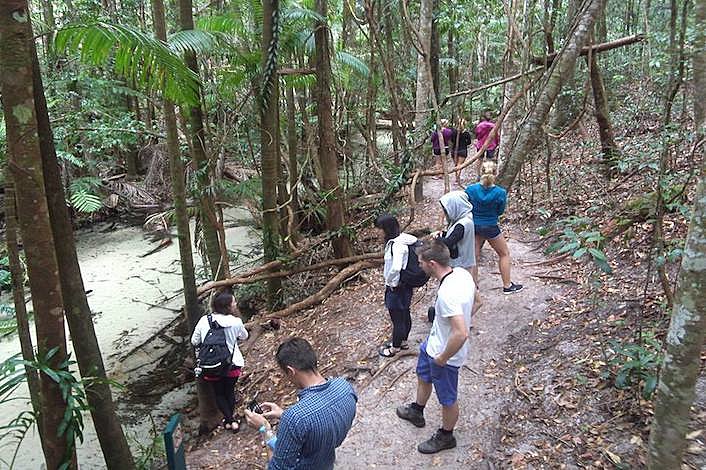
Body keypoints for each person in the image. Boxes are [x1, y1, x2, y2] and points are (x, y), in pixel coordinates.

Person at [396, 239, 473, 454]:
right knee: (423, 376)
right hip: (432, 344)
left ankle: (446, 436)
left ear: (432, 264)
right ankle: (417, 410)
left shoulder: (448, 294)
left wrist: (442, 358)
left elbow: (461, 333)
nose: (419, 266)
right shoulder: (461, 274)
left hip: (444, 355)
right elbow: (478, 301)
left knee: (447, 398)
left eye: (420, 262)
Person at [244, 337, 357, 470]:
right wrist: (283, 414)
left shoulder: (295, 417)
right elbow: (323, 421)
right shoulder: (345, 387)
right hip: (326, 460)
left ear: (291, 371)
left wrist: (264, 429)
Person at [191, 291, 249, 431]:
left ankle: (229, 420)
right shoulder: (236, 321)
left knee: (218, 393)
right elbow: (244, 336)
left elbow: (194, 341)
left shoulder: (204, 320)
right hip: (232, 365)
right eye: (234, 302)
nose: (235, 304)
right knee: (229, 391)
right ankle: (231, 420)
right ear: (228, 306)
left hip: (211, 365)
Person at [465, 161, 523, 294]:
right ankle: (507, 285)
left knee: (474, 257)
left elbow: (466, 206)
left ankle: (473, 288)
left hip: (474, 226)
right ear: (495, 174)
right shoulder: (500, 192)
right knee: (504, 254)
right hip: (491, 226)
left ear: (481, 172)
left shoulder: (470, 190)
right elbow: (500, 211)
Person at [375, 214, 418, 357]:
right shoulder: (403, 239)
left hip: (397, 287)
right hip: (404, 285)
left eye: (379, 229)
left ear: (387, 229)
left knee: (397, 318)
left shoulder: (397, 245)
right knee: (405, 313)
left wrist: (390, 281)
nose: (377, 232)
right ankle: (403, 341)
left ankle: (395, 348)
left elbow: (396, 267)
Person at [434, 191, 479, 304]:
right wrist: (443, 234)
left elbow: (449, 242)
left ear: (456, 206)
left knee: (459, 293)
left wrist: (437, 238)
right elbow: (455, 236)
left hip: (460, 263)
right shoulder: (464, 218)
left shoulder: (462, 224)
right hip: (463, 261)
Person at [450, 118, 473, 187]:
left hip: (454, 150)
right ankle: (457, 179)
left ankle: (457, 179)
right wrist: (464, 143)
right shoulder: (466, 133)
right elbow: (469, 142)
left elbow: (451, 140)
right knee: (459, 165)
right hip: (462, 150)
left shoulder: (453, 132)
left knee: (456, 165)